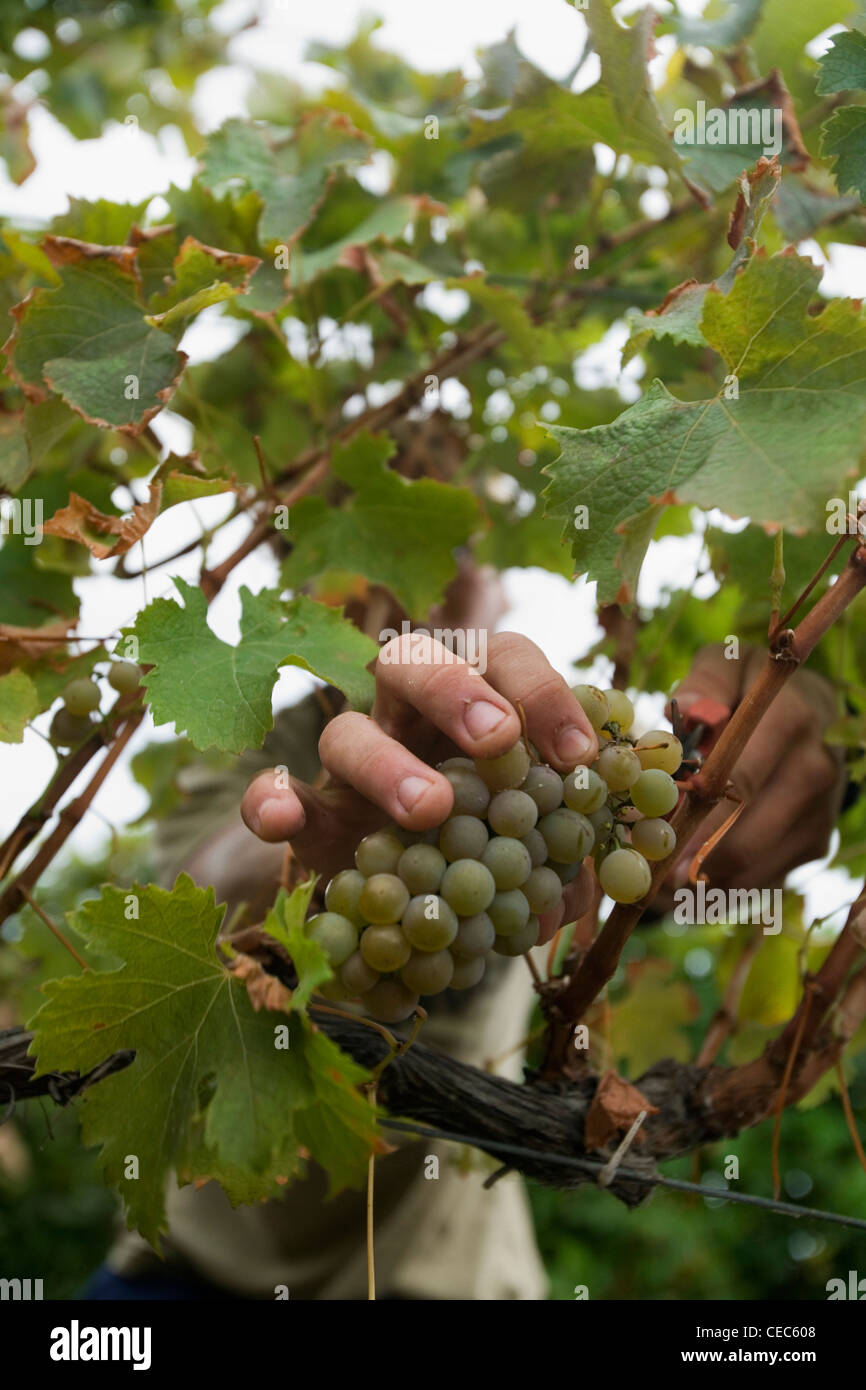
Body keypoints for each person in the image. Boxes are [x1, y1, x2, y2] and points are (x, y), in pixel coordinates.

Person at [84, 570, 846, 1301]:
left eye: (453, 560)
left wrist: (789, 727)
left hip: (458, 1283)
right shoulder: (253, 730)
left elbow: (675, 865)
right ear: (325, 593)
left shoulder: (543, 767)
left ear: (499, 590)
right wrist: (316, 849)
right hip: (185, 1279)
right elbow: (199, 889)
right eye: (384, 567)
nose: (423, 589)